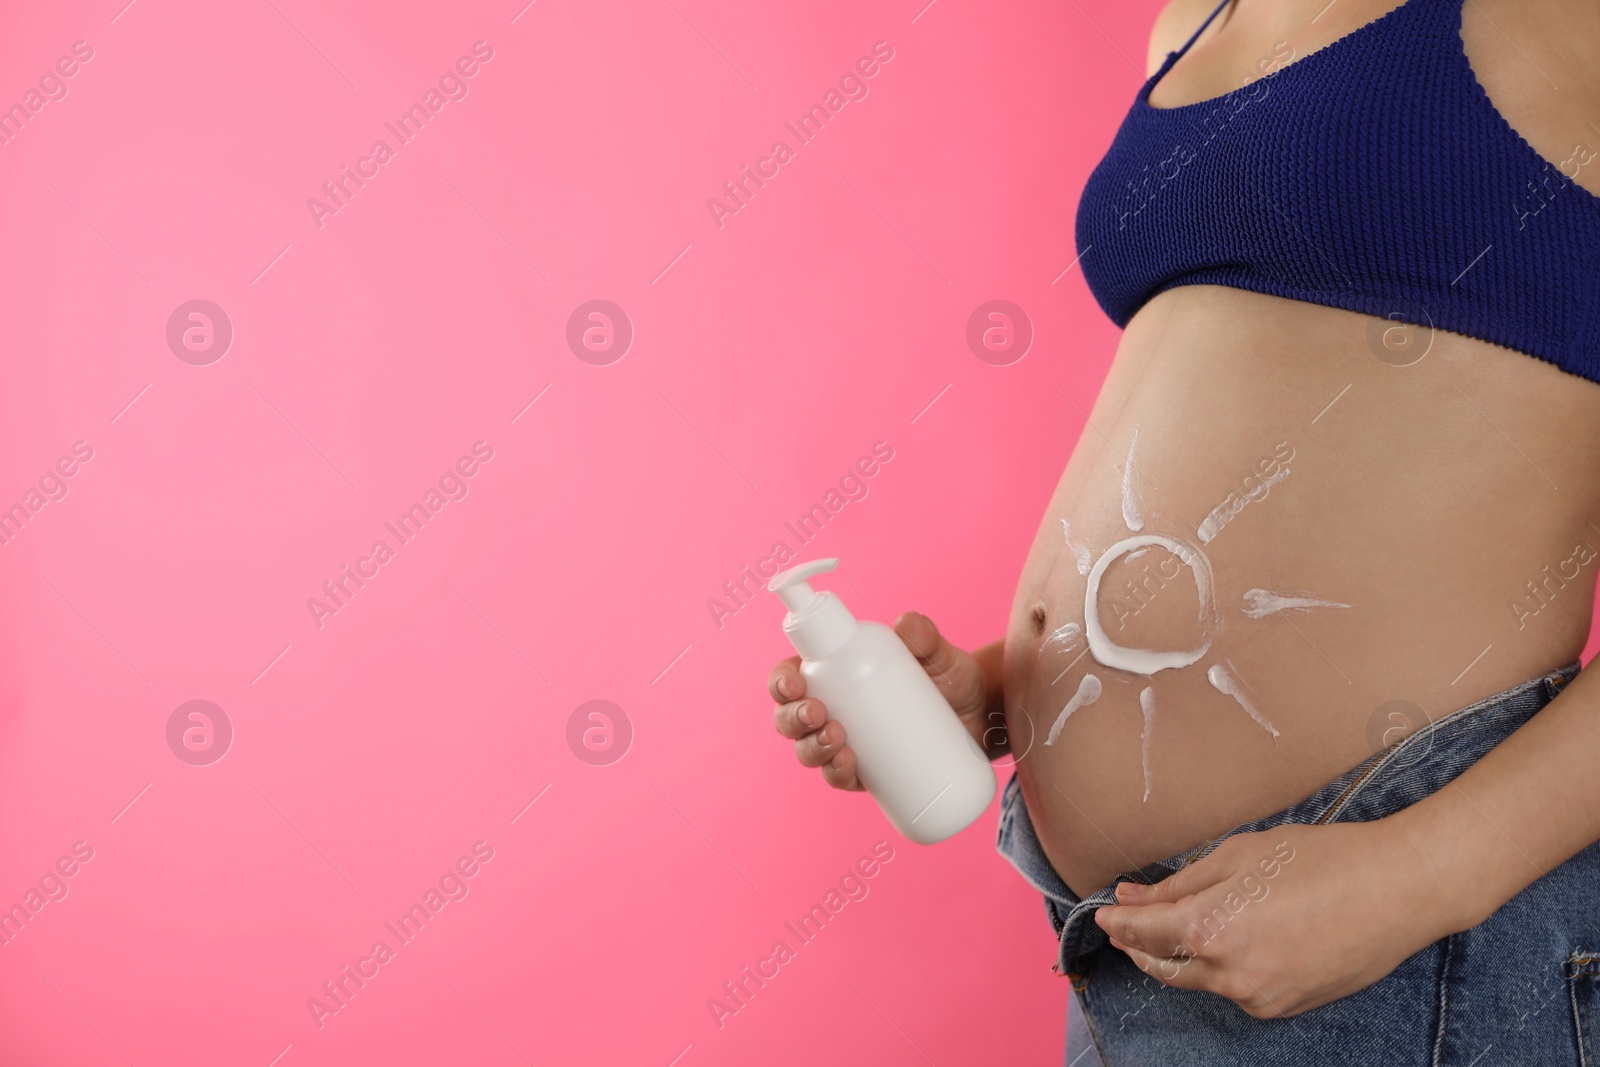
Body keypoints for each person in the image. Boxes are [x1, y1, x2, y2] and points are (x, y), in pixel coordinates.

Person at [767, 0, 1600, 1062]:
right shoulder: (1189, 24)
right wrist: (1007, 685)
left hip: (1395, 943)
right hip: (1129, 953)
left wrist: (1421, 875)